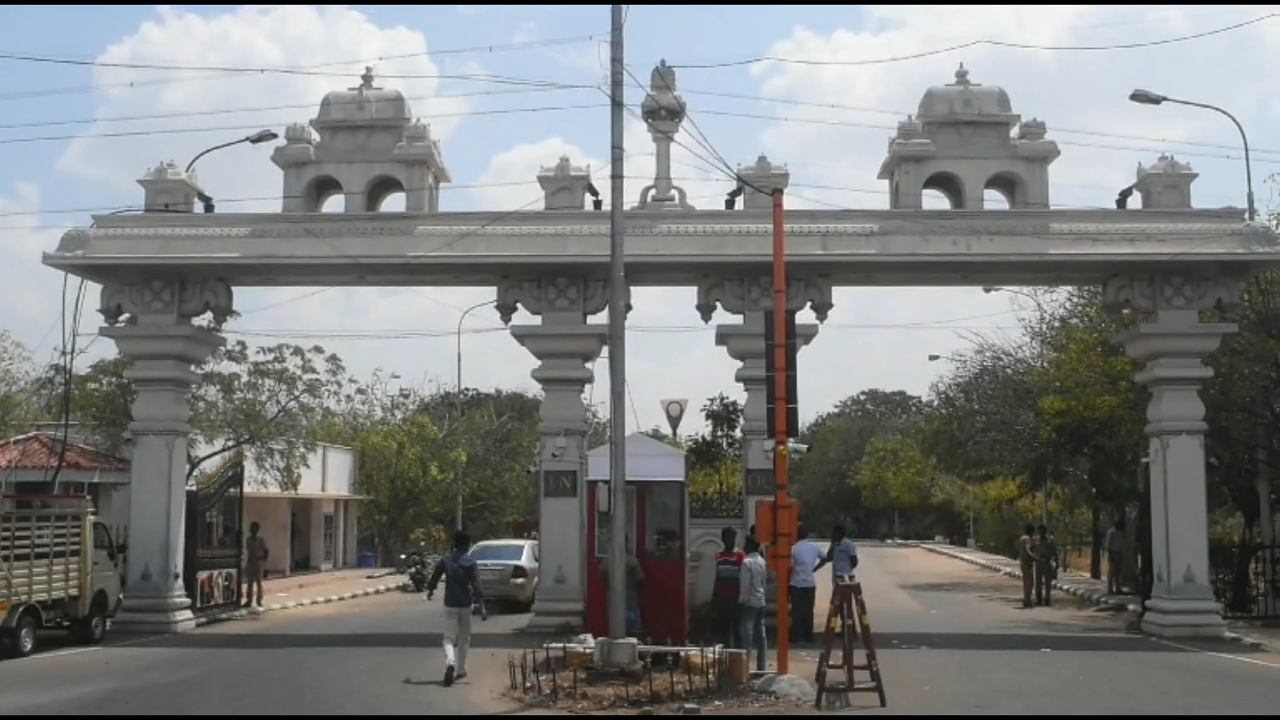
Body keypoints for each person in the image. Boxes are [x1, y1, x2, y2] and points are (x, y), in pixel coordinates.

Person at [426, 530, 487, 687]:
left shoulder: (446, 560)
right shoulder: (470, 562)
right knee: (464, 638)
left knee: (448, 637)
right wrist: (482, 606)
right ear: (466, 545)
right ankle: (461, 670)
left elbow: (435, 577)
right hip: (465, 604)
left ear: (454, 544)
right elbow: (476, 585)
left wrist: (430, 591)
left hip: (450, 603)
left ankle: (450, 662)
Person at [601, 535, 645, 636]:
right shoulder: (632, 561)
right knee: (634, 628)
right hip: (630, 597)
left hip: (612, 598)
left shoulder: (606, 561)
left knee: (614, 624)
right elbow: (641, 578)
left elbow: (602, 578)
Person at [710, 526, 745, 647]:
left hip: (736, 598)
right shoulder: (719, 555)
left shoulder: (740, 556)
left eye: (733, 538)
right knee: (723, 631)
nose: (731, 541)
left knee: (737, 630)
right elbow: (718, 577)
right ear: (723, 539)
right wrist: (714, 597)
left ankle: (739, 657)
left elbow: (743, 578)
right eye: (728, 538)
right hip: (723, 598)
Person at [789, 524, 824, 644]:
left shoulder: (793, 548)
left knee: (797, 611)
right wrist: (815, 568)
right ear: (808, 534)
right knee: (808, 611)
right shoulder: (814, 548)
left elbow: (790, 566)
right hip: (810, 583)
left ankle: (797, 637)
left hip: (796, 583)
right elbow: (825, 558)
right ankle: (808, 636)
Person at [738, 536, 768, 672]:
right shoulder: (762, 561)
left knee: (746, 634)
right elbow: (764, 582)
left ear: (750, 546)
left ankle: (745, 666)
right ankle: (761, 665)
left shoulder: (746, 563)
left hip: (749, 602)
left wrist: (742, 600)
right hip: (760, 600)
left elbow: (745, 585)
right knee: (760, 634)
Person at [243, 522, 268, 608]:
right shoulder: (248, 539)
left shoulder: (261, 539)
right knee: (249, 583)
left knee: (259, 582)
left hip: (259, 562)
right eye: (251, 528)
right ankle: (249, 600)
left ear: (257, 529)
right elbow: (248, 551)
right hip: (251, 562)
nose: (252, 530)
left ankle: (259, 600)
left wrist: (264, 564)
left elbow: (266, 551)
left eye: (253, 528)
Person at [1034, 524, 1058, 607]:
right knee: (1038, 582)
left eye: (1043, 531)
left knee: (1048, 583)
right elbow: (1032, 550)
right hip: (1038, 562)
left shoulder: (1049, 541)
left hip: (1047, 562)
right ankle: (1038, 599)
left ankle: (1047, 599)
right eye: (1040, 531)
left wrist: (1057, 563)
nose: (1041, 532)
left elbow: (1054, 552)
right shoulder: (1036, 540)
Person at [1104, 517, 1127, 596]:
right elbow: (1108, 545)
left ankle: (1118, 588)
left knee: (1118, 572)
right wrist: (1111, 556)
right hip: (1113, 553)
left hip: (1119, 553)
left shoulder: (1121, 533)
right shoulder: (1111, 532)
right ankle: (1110, 589)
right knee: (1111, 572)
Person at [1018, 523, 1037, 609]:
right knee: (1029, 582)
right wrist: (1035, 558)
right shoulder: (1027, 539)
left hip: (1023, 562)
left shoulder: (1022, 538)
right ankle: (1027, 600)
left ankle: (1027, 599)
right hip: (1027, 563)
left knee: (1026, 582)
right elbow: (1027, 549)